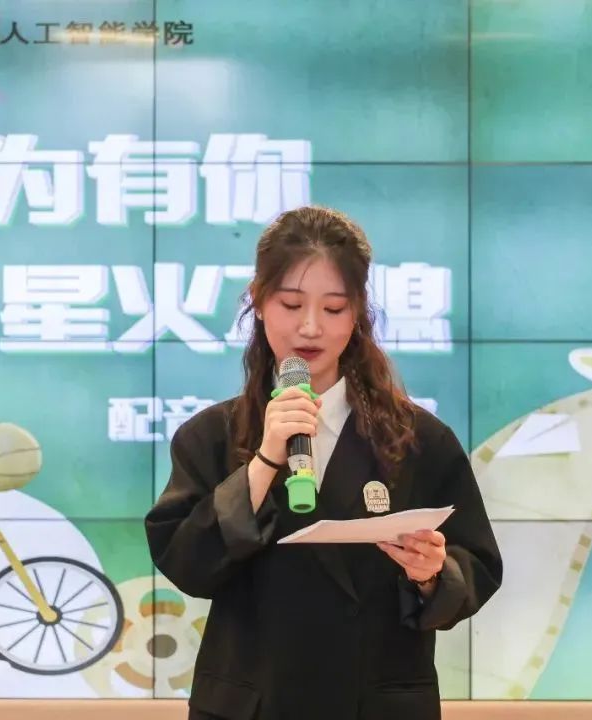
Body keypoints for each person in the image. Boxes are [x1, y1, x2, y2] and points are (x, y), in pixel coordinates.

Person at [144, 206, 503, 720]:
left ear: (357, 315)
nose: (310, 327)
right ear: (259, 302)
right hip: (253, 703)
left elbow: (476, 566)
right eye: (291, 304)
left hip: (375, 703)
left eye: (334, 308)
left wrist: (432, 574)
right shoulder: (210, 436)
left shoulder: (418, 438)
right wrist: (266, 459)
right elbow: (186, 564)